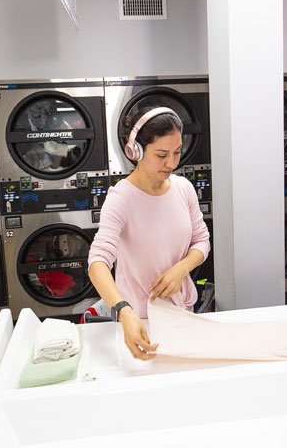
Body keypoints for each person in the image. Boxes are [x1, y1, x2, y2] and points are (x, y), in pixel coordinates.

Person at [87, 106, 210, 360]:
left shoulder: (183, 189)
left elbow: (202, 241)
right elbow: (97, 263)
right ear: (136, 151)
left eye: (177, 152)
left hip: (183, 313)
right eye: (162, 154)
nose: (172, 163)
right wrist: (124, 311)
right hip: (139, 319)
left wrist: (181, 269)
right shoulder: (121, 198)